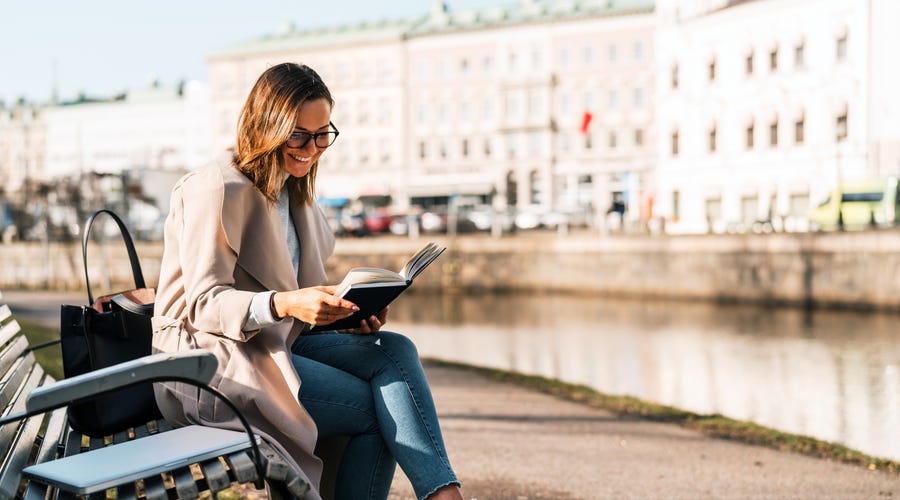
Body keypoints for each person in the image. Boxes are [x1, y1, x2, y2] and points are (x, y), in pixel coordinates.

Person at [152, 62, 463, 500]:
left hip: (277, 344)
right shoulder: (215, 188)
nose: (312, 148)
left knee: (394, 349)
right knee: (376, 410)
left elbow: (299, 301)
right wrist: (283, 303)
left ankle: (443, 492)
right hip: (211, 360)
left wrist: (346, 315)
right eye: (298, 135)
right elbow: (204, 303)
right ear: (266, 126)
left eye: (322, 135)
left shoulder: (297, 197)